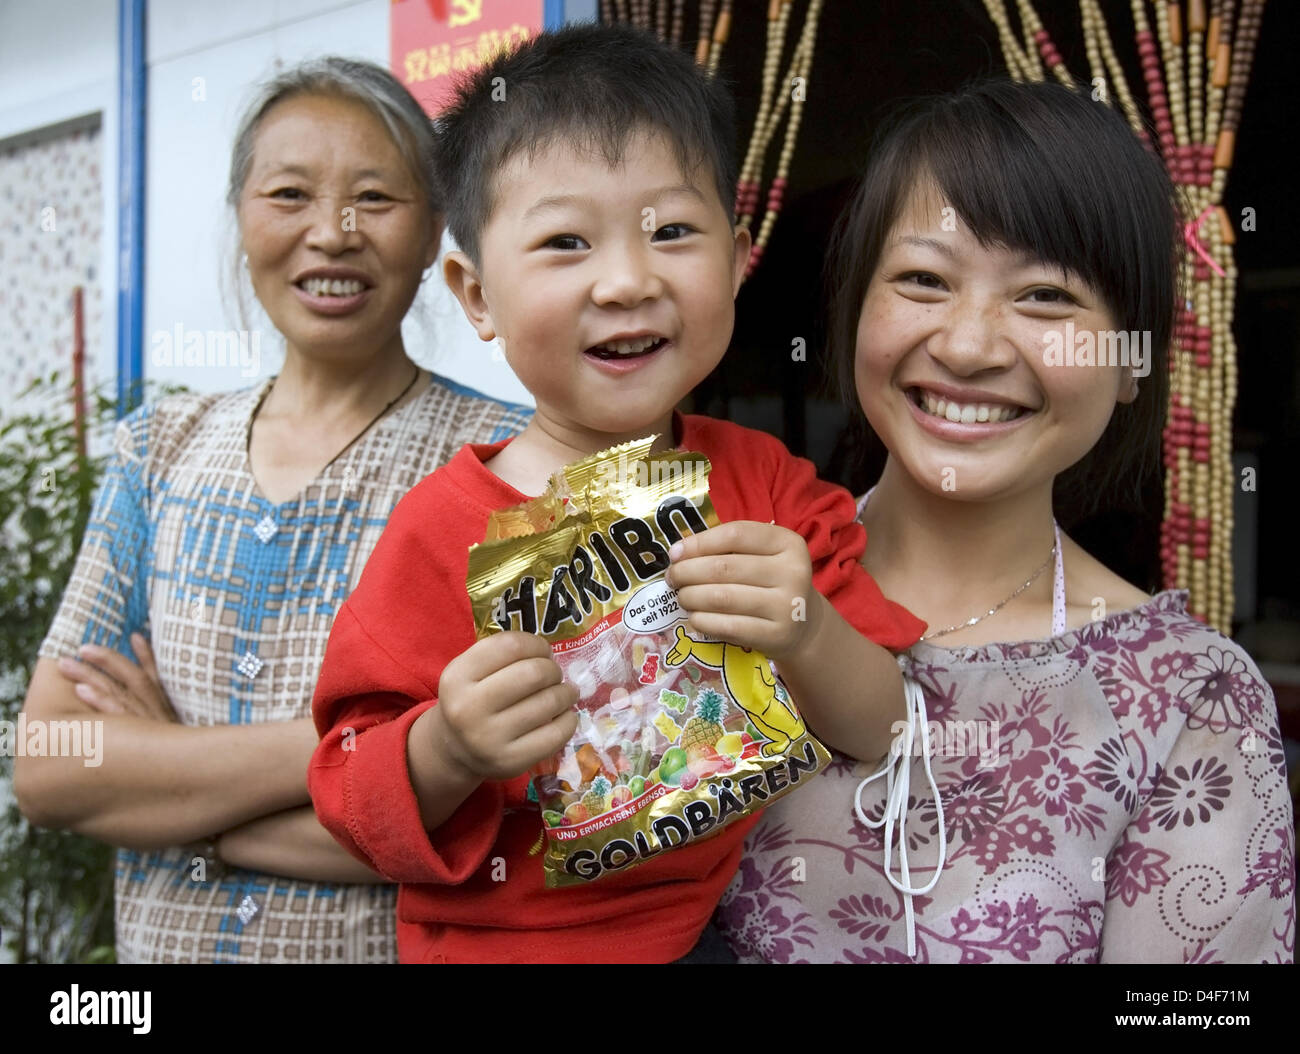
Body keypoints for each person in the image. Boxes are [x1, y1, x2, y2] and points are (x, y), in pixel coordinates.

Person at [307, 23, 925, 964]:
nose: (629, 280)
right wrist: (449, 748)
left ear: (737, 255)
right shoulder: (441, 532)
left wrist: (806, 626)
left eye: (672, 231)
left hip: (736, 930)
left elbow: (882, 723)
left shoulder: (767, 486)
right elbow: (349, 790)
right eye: (565, 242)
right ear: (476, 296)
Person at [716, 79, 1296, 963]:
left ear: (1131, 357)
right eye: (922, 279)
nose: (970, 345)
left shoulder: (1191, 700)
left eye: (1046, 298)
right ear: (858, 307)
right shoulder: (722, 598)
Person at [14, 57, 532, 963]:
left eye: (377, 198)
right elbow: (53, 765)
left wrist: (173, 780)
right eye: (289, 193)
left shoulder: (508, 462)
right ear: (242, 217)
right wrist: (393, 752)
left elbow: (499, 821)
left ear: (433, 233)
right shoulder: (157, 451)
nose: (332, 233)